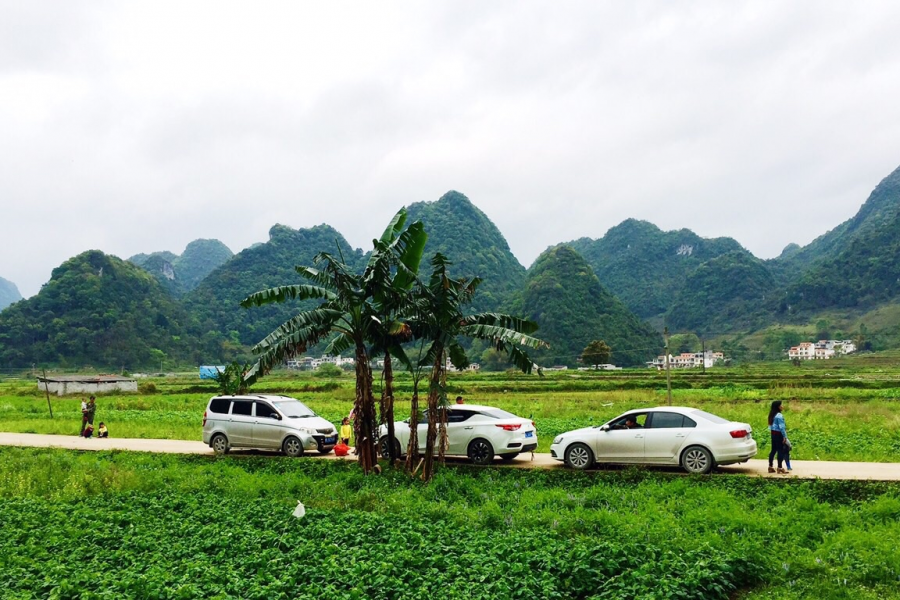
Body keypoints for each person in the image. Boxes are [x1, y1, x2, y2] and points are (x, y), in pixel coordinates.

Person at [767, 400, 790, 474]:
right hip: (778, 434)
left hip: (773, 434)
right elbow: (782, 427)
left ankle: (770, 466)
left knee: (773, 450)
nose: (782, 406)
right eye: (781, 405)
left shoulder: (771, 415)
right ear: (778, 407)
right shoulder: (779, 416)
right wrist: (784, 436)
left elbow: (770, 426)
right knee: (780, 450)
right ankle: (780, 467)